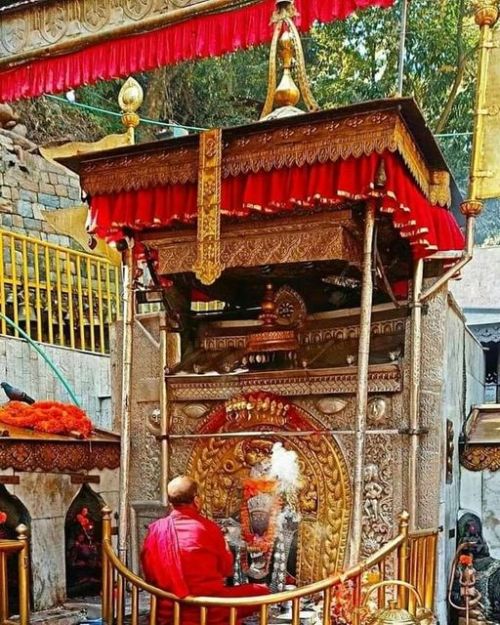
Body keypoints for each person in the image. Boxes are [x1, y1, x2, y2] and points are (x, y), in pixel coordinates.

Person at [141, 476, 269, 625]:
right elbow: (226, 570)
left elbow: (149, 575)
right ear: (196, 500)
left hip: (169, 608)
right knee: (262, 591)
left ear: (170, 503)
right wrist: (226, 548)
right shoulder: (208, 528)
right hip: (207, 607)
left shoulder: (157, 530)